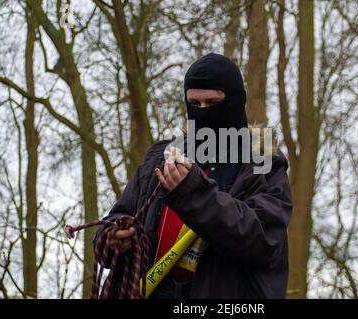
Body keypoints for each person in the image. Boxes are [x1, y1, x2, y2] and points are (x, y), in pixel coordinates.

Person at [95, 53, 292, 298]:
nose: (203, 112)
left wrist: (192, 194)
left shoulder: (263, 163)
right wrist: (112, 238)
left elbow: (261, 239)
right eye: (195, 104)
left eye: (213, 102)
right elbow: (119, 216)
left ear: (235, 101)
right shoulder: (162, 156)